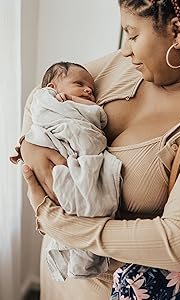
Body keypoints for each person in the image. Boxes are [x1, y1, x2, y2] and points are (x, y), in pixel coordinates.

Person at [17, 0, 180, 299]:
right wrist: (29, 146)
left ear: (177, 32)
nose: (125, 50)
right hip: (60, 266)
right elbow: (43, 95)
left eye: (132, 35)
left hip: (114, 289)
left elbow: (179, 244)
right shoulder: (127, 67)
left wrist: (59, 223)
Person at [23, 62, 122, 282]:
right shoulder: (46, 99)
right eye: (79, 84)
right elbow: (38, 108)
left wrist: (74, 98)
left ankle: (81, 253)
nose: (88, 90)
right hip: (59, 142)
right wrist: (26, 145)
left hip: (78, 151)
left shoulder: (76, 102)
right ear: (52, 87)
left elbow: (96, 119)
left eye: (92, 90)